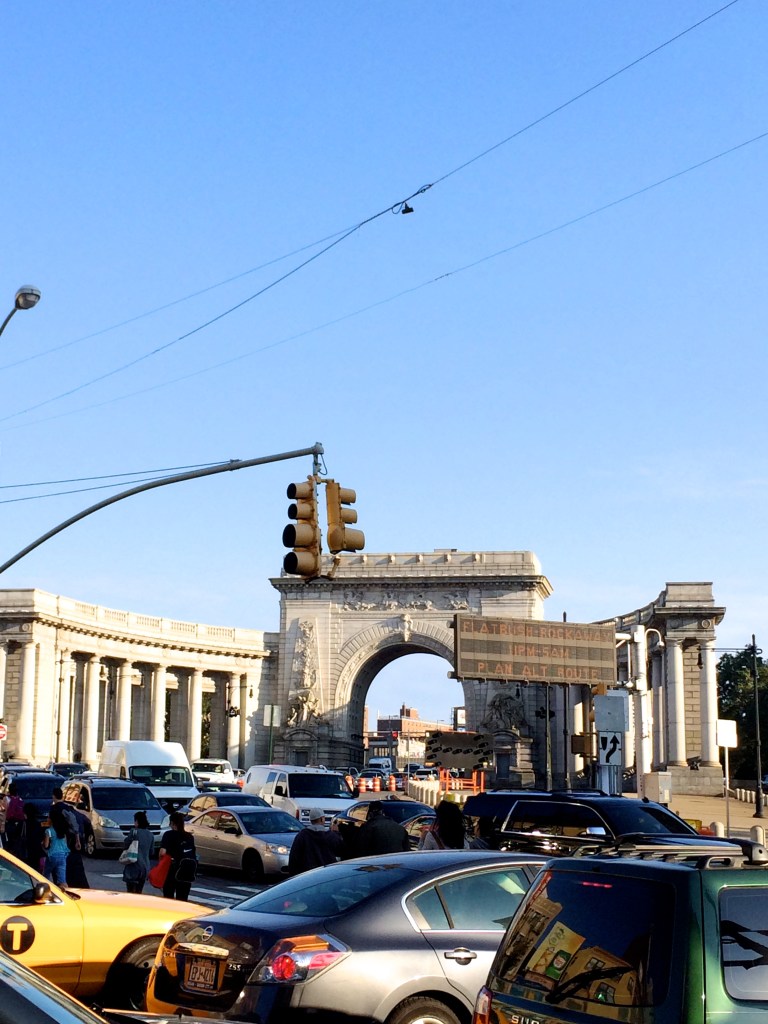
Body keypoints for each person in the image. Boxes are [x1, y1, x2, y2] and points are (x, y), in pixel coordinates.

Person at [49, 788, 89, 888]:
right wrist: (77, 839)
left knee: (55, 867)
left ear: (53, 796)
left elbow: (50, 825)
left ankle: (59, 885)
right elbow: (74, 824)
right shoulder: (67, 809)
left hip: (57, 840)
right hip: (68, 840)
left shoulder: (53, 809)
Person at [287, 808, 345, 875]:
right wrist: (337, 832)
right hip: (328, 873)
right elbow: (342, 851)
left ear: (311, 820)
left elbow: (294, 858)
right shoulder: (331, 836)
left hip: (307, 874)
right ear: (322, 819)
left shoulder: (302, 835)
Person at [159, 811, 197, 901]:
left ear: (172, 823)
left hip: (172, 870)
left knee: (168, 897)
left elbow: (162, 852)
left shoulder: (168, 835)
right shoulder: (189, 836)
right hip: (186, 872)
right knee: (183, 899)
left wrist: (160, 862)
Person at [122, 811, 154, 893]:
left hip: (133, 865)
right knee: (139, 891)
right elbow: (151, 852)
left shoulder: (133, 832)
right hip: (145, 867)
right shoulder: (150, 835)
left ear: (137, 821)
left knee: (130, 891)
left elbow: (126, 845)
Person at [42, 814, 70, 886]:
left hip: (52, 854)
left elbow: (46, 845)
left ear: (51, 820)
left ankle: (45, 888)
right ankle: (65, 890)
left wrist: (42, 843)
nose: (47, 819)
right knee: (62, 880)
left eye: (48, 817)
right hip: (63, 855)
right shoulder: (62, 831)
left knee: (46, 875)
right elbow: (65, 844)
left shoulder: (48, 831)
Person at [22, 804, 46, 872]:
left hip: (25, 850)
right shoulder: (38, 824)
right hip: (36, 852)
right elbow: (42, 837)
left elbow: (16, 835)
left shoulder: (23, 824)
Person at [5, 783, 26, 856]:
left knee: (9, 840)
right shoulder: (20, 799)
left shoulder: (7, 799)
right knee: (17, 839)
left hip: (10, 822)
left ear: (9, 790)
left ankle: (10, 854)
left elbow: (5, 812)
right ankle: (17, 853)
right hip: (19, 823)